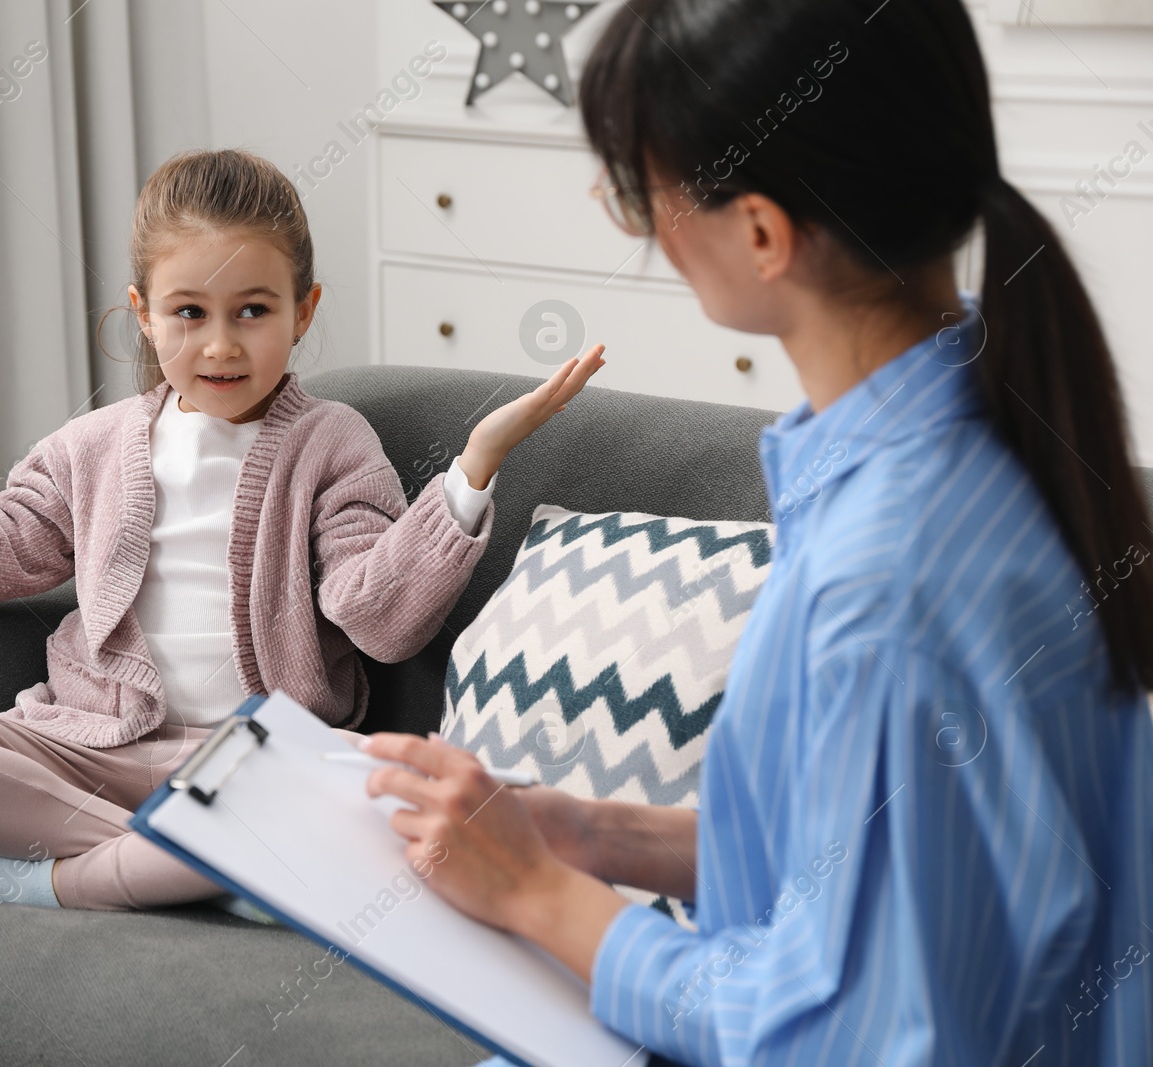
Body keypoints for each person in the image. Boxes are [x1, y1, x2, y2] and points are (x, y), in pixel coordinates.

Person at [361, 1, 1153, 1063]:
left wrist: (542, 893)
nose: (639, 225)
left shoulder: (887, 572)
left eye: (640, 190)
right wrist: (595, 834)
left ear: (763, 232)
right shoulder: (978, 440)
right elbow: (883, 863)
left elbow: (841, 1033)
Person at [0, 147, 606, 912]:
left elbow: (382, 623)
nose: (220, 344)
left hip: (256, 766)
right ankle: (207, 868)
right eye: (189, 312)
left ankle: (54, 882)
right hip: (84, 752)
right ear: (144, 316)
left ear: (303, 310)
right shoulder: (90, 447)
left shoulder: (333, 443)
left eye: (253, 310)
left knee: (410, 816)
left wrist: (471, 469)